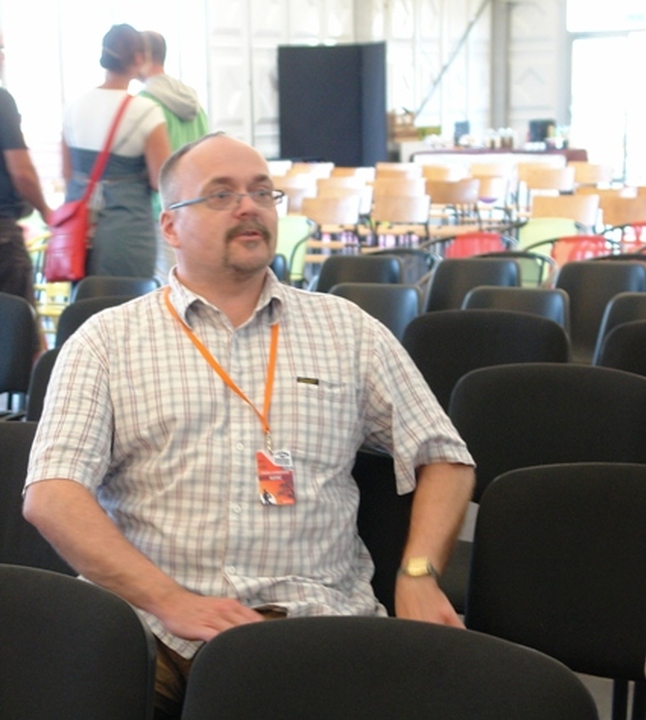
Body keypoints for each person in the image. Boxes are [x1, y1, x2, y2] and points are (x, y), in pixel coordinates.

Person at [23, 132, 476, 717]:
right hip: (151, 627)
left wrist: (417, 573)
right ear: (170, 226)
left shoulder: (347, 330)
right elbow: (53, 495)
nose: (249, 207)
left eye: (263, 192)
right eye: (221, 195)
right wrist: (171, 600)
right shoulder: (107, 341)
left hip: (312, 624)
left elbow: (443, 456)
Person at [61, 24, 170, 278]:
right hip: (127, 231)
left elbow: (67, 173)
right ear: (139, 58)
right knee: (129, 297)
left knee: (85, 297)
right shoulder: (145, 111)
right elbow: (161, 180)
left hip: (79, 231)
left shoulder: (74, 107)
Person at [138, 30, 209, 283]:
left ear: (143, 56)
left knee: (166, 288)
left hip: (163, 210)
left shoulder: (143, 105)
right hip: (199, 207)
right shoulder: (193, 103)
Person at [0, 31, 52, 305]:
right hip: (2, 237)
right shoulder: (2, 102)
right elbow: (21, 172)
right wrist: (45, 210)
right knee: (17, 322)